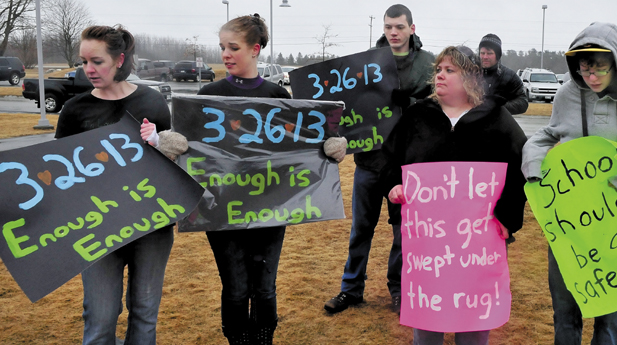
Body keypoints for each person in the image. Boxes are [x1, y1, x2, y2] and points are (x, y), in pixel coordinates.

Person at [173, 14, 344, 345]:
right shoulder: (208, 94)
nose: (225, 54)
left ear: (255, 49)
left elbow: (304, 150)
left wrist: (332, 148)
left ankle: (264, 338)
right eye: (222, 47)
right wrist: (173, 143)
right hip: (223, 208)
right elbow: (189, 150)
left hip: (270, 207)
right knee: (236, 288)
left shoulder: (277, 96)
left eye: (233, 47)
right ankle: (237, 340)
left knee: (264, 286)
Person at [521, 22, 617, 345]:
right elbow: (548, 135)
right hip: (573, 223)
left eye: (600, 66)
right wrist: (533, 165)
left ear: (616, 61)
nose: (591, 76)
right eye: (584, 67)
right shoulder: (566, 94)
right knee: (565, 312)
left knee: (613, 317)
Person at [385, 45, 527, 345]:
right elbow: (390, 160)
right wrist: (393, 185)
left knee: (473, 325)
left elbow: (521, 166)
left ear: (471, 79)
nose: (440, 75)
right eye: (438, 69)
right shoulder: (417, 116)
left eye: (450, 70)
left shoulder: (496, 118)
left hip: (477, 247)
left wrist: (509, 214)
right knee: (427, 322)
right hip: (428, 248)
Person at [55, 25, 180, 345]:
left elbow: (175, 167)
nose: (88, 70)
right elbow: (58, 174)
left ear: (119, 59)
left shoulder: (152, 102)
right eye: (83, 62)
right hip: (96, 227)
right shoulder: (74, 110)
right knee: (99, 318)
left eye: (96, 61)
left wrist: (160, 145)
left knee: (144, 313)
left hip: (151, 225)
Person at [324, 3, 434, 315]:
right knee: (361, 228)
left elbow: (439, 105)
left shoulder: (428, 63)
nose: (394, 32)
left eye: (399, 26)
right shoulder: (366, 64)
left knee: (403, 233)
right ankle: (351, 289)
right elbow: (350, 106)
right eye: (388, 27)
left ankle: (399, 290)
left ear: (412, 29)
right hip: (370, 162)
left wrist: (411, 102)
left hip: (407, 165)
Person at [478, 33, 529, 115]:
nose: (485, 57)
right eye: (482, 53)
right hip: (473, 124)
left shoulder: (510, 76)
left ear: (497, 55)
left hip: (499, 125)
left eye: (490, 53)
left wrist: (499, 108)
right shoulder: (471, 74)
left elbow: (523, 102)